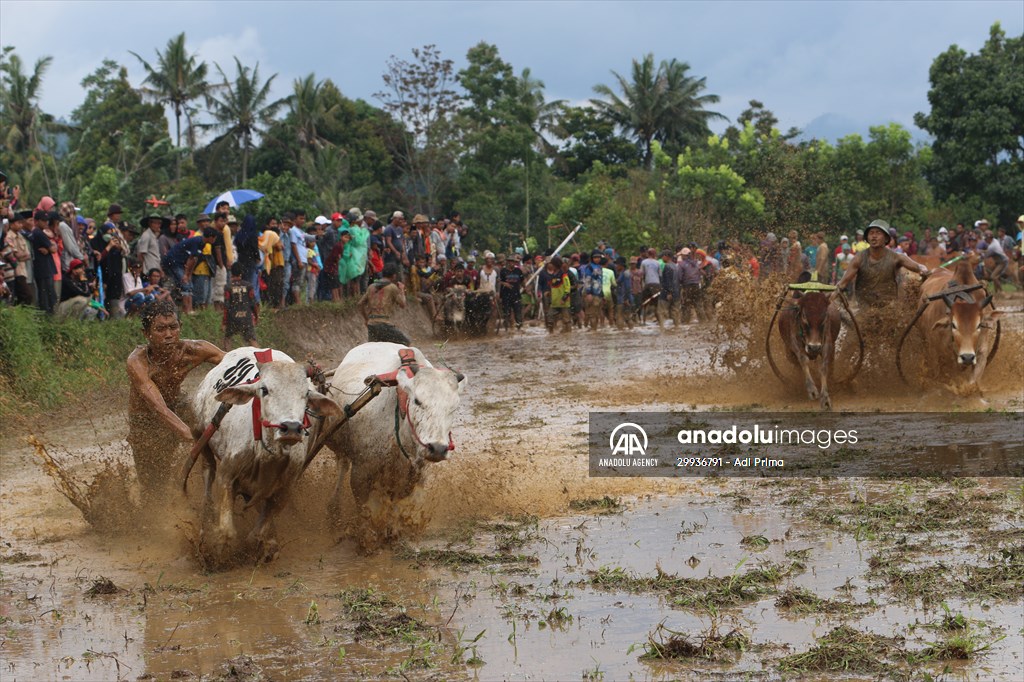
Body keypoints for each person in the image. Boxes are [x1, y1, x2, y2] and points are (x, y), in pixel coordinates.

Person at [126, 300, 225, 496]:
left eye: (173, 327)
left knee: (212, 427)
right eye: (160, 329)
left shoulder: (193, 350)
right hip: (145, 420)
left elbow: (234, 361)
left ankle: (221, 482)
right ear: (146, 334)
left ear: (181, 327)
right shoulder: (137, 361)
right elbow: (158, 406)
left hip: (178, 404)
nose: (169, 335)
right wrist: (190, 435)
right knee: (153, 486)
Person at [832, 219, 928, 309]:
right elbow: (842, 283)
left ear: (886, 238)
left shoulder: (896, 257)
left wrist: (923, 270)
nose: (874, 236)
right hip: (865, 310)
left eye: (878, 233)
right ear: (867, 238)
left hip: (890, 309)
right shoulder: (858, 259)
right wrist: (833, 295)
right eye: (871, 233)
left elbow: (919, 267)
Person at [357, 262, 409, 344]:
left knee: (374, 349)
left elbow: (360, 304)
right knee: (405, 342)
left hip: (372, 324)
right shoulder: (392, 287)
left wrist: (366, 319)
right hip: (384, 324)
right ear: (394, 275)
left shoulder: (371, 287)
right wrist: (402, 290)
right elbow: (402, 304)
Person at [223, 262, 259, 350]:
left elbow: (226, 306)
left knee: (228, 338)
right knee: (252, 340)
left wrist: (224, 321)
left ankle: (227, 358)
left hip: (232, 317)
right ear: (241, 273)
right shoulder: (248, 286)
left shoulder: (228, 287)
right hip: (246, 316)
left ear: (231, 273)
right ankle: (262, 359)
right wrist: (256, 316)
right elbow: (254, 303)